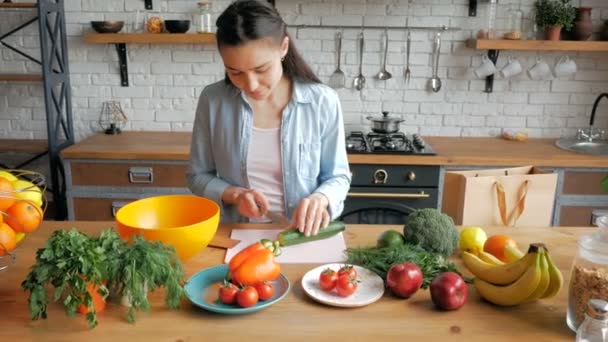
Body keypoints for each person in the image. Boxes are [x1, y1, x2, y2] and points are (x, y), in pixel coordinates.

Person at [186, 0, 351, 237]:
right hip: (237, 236)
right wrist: (235, 194)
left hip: (305, 237)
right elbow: (197, 175)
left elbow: (338, 176)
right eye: (235, 72)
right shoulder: (213, 100)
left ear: (283, 48)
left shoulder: (323, 101)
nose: (250, 85)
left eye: (261, 69)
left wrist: (321, 198)